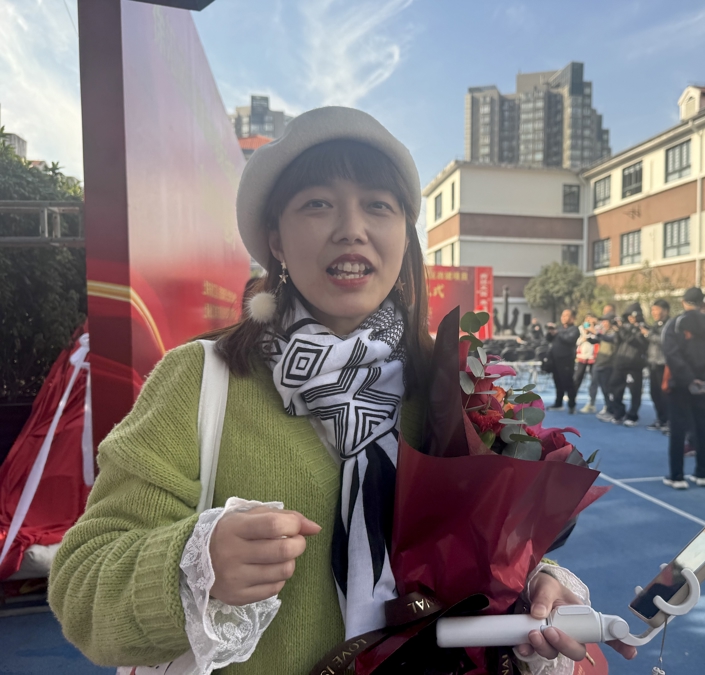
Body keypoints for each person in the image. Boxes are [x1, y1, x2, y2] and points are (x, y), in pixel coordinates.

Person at [49, 108, 628, 673]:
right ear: (276, 240)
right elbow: (80, 588)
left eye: (378, 205)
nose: (352, 228)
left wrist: (533, 584)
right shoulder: (200, 379)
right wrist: (195, 567)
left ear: (404, 236)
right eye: (318, 204)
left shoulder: (454, 386)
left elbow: (479, 555)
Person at [661, 287, 705, 489]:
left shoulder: (676, 323)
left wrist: (689, 379)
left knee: (678, 429)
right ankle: (702, 473)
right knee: (702, 427)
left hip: (681, 384)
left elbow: (671, 353)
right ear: (702, 303)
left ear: (684, 301)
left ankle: (677, 476)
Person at [598, 303, 648, 427]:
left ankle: (632, 416)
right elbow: (616, 341)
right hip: (620, 363)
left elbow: (636, 341)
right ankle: (619, 412)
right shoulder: (624, 327)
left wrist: (621, 330)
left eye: (633, 315)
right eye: (629, 315)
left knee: (635, 392)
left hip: (634, 365)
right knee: (613, 388)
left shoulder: (644, 328)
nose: (631, 318)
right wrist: (616, 330)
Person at [546, 308, 580, 414]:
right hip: (555, 360)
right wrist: (550, 332)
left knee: (568, 382)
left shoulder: (574, 329)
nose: (563, 318)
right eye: (562, 315)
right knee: (558, 382)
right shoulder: (559, 329)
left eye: (566, 315)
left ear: (572, 318)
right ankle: (558, 403)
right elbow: (548, 339)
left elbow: (569, 340)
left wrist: (557, 333)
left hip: (566, 360)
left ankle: (571, 405)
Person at [582, 313, 616, 414]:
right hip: (599, 362)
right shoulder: (603, 332)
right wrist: (587, 334)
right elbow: (594, 340)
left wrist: (596, 332)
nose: (603, 323)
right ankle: (592, 404)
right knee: (594, 384)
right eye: (603, 321)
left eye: (605, 321)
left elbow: (607, 338)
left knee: (607, 388)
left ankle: (609, 407)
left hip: (609, 364)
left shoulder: (615, 333)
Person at [646, 299, 671, 431]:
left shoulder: (670, 325)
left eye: (656, 310)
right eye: (653, 310)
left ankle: (669, 420)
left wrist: (649, 334)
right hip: (653, 362)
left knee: (665, 393)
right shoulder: (655, 325)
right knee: (654, 393)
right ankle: (660, 419)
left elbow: (664, 340)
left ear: (665, 311)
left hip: (664, 363)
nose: (654, 312)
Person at [573, 314, 598, 403]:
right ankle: (573, 395)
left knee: (594, 379)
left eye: (590, 320)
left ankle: (592, 398)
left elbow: (598, 339)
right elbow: (575, 341)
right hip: (582, 357)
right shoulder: (579, 329)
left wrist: (592, 330)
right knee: (578, 377)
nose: (588, 321)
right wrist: (582, 339)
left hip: (593, 357)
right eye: (587, 319)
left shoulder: (596, 330)